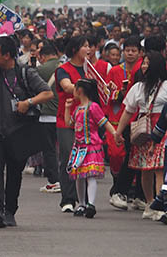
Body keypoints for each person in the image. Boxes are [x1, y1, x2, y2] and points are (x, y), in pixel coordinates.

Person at [0, 35, 53, 228]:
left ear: (7, 55)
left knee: (14, 172)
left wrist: (28, 102)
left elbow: (47, 92)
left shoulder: (25, 73)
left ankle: (10, 210)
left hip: (18, 132)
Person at [114, 52, 167, 221]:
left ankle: (159, 205)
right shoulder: (137, 87)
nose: (144, 66)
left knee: (159, 168)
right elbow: (128, 111)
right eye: (143, 63)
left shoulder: (165, 85)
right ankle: (151, 204)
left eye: (147, 63)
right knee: (145, 169)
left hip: (162, 130)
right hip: (144, 132)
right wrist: (118, 131)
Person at [65, 79, 116, 218]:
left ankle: (90, 203)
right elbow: (69, 123)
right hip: (79, 147)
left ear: (79, 90)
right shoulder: (77, 109)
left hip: (91, 145)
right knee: (80, 177)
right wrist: (67, 108)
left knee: (90, 175)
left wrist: (115, 134)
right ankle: (82, 203)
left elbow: (104, 122)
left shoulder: (93, 107)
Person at [108, 35, 145, 211]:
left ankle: (138, 194)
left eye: (134, 51)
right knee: (124, 155)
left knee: (138, 158)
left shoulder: (141, 68)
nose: (130, 53)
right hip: (121, 118)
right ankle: (120, 189)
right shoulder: (115, 70)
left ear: (140, 53)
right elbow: (108, 94)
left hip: (137, 119)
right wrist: (120, 94)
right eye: (127, 50)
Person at [54, 36, 91, 213]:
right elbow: (68, 87)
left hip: (87, 120)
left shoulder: (90, 69)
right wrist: (88, 85)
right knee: (69, 156)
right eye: (85, 46)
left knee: (87, 158)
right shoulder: (63, 69)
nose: (89, 49)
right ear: (75, 49)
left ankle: (84, 198)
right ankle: (67, 199)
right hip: (67, 120)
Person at [35, 40, 62, 193]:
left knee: (50, 149)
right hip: (63, 115)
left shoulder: (41, 70)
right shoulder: (65, 67)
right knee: (65, 149)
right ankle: (66, 179)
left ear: (44, 56)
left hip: (47, 115)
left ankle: (54, 180)